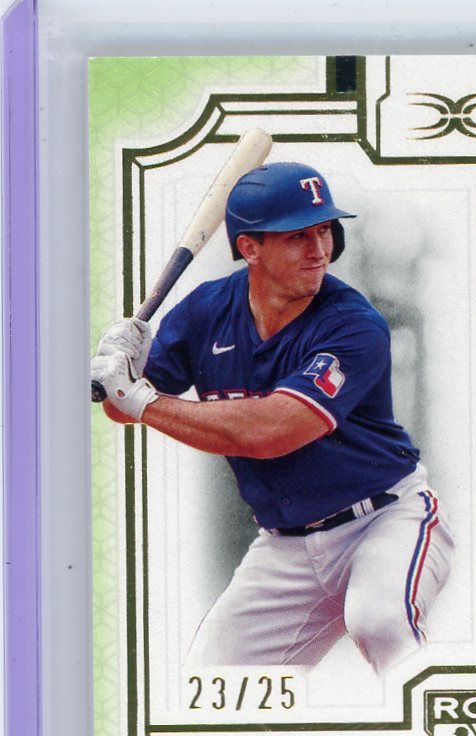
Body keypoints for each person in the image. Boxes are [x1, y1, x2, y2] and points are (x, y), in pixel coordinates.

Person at [91, 161, 453, 674]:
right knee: (212, 683)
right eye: (298, 235)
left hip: (384, 520)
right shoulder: (205, 311)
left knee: (379, 620)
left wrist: (140, 399)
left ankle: (427, 722)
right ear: (250, 248)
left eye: (324, 230)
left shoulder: (353, 324)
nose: (319, 249)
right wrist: (117, 367)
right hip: (284, 547)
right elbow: (121, 406)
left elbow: (271, 432)